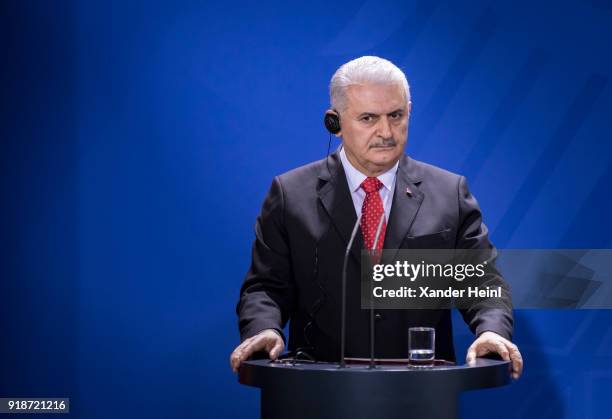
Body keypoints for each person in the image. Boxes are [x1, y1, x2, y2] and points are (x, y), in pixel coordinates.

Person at [230, 56, 523, 379]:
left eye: (396, 115)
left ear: (409, 111)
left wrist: (491, 330)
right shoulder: (291, 194)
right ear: (335, 123)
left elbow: (481, 281)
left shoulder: (449, 192)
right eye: (368, 118)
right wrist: (264, 328)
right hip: (318, 388)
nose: (386, 132)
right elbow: (265, 286)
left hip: (420, 391)